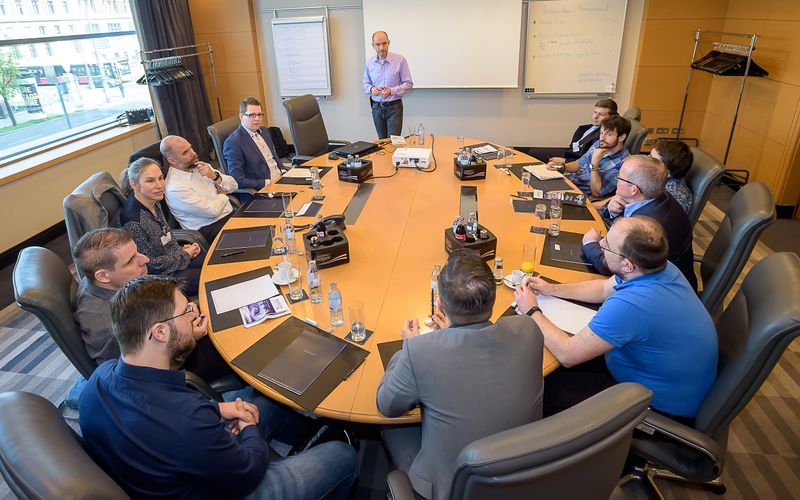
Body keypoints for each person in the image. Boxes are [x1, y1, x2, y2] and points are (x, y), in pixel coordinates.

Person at [79, 275, 358, 499]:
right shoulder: (186, 418)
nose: (194, 315)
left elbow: (171, 422)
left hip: (171, 466)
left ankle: (306, 436)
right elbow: (247, 474)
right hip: (227, 487)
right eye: (186, 312)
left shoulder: (98, 380)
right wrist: (249, 429)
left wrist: (216, 409)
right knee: (342, 455)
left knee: (261, 398)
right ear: (160, 332)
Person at [377, 248, 544, 500]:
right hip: (523, 470)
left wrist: (408, 346)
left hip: (453, 488)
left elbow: (386, 404)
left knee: (390, 428)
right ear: (494, 298)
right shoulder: (528, 328)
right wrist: (452, 333)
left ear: (440, 304)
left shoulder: (419, 351)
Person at [514, 216, 717, 423]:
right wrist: (551, 289)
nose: (600, 244)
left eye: (606, 245)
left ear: (627, 265)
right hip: (651, 374)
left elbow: (567, 354)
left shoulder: (633, 304)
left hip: (655, 408)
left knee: (531, 392)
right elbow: (604, 288)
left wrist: (531, 311)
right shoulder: (657, 267)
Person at [73, 228, 232, 381]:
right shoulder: (110, 328)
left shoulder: (98, 280)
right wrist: (191, 337)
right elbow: (143, 378)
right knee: (233, 339)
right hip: (177, 366)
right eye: (131, 260)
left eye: (137, 252)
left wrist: (186, 310)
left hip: (174, 330)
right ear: (103, 276)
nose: (145, 259)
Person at [581, 154, 697, 290]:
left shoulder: (648, 227)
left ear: (633, 190)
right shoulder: (655, 195)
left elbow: (613, 267)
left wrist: (590, 243)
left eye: (619, 177)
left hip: (661, 290)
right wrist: (614, 211)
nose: (616, 180)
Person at [120, 157, 205, 296]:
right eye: (150, 181)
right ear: (134, 185)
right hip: (162, 279)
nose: (159, 185)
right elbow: (150, 265)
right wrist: (184, 255)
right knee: (210, 275)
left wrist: (181, 250)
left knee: (215, 261)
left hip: (173, 261)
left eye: (161, 178)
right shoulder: (133, 221)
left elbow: (166, 237)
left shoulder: (154, 201)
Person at [162, 135, 238, 242]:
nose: (193, 153)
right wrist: (222, 195)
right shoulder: (174, 187)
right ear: (172, 160)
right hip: (210, 230)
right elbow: (212, 212)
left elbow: (234, 186)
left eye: (190, 148)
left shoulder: (199, 167)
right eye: (185, 152)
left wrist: (215, 176)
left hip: (230, 216)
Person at [546, 115, 630, 197]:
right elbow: (578, 164)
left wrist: (595, 164)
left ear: (621, 137)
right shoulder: (598, 144)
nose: (602, 138)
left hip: (579, 194)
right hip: (569, 181)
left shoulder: (623, 164)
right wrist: (561, 167)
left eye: (609, 134)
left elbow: (596, 192)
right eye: (601, 132)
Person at [223, 96, 285, 199]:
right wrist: (267, 182)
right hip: (263, 190)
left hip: (281, 180)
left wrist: (283, 170)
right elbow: (237, 179)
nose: (257, 119)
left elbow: (274, 156)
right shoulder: (233, 143)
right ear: (241, 116)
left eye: (259, 115)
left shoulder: (264, 131)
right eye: (252, 115)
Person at [529, 98, 619, 163]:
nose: (595, 117)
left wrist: (565, 161)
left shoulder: (602, 136)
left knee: (534, 153)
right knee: (533, 151)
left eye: (601, 114)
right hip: (570, 151)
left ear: (611, 117)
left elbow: (586, 159)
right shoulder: (587, 128)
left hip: (574, 158)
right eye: (595, 112)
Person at [363, 31, 413, 139]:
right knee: (382, 142)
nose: (381, 48)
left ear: (389, 43)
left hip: (394, 107)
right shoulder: (369, 63)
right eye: (377, 44)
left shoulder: (400, 60)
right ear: (372, 45)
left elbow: (408, 84)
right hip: (376, 108)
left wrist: (391, 91)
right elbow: (366, 84)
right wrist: (371, 89)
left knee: (393, 142)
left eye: (384, 43)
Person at [650, 140, 694, 214]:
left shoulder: (670, 198)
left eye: (652, 160)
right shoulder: (659, 180)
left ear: (667, 173)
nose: (645, 160)